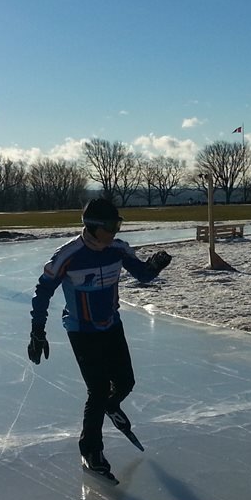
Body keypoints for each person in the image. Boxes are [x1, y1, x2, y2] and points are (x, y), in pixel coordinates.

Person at [27, 198, 172, 477]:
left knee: (126, 382)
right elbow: (42, 292)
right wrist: (37, 331)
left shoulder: (116, 250)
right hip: (81, 330)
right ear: (93, 227)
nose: (115, 232)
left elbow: (142, 275)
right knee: (97, 389)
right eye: (110, 226)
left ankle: (111, 405)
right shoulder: (68, 255)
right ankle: (91, 450)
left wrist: (155, 265)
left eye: (118, 224)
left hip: (111, 325)